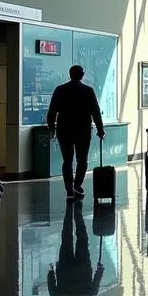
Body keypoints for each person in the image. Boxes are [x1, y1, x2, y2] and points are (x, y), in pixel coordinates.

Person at [46, 65, 105, 200]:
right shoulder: (88, 91)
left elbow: (52, 111)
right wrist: (100, 130)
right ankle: (77, 185)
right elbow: (95, 112)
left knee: (67, 160)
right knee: (82, 159)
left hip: (64, 130)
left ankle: (69, 190)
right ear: (82, 75)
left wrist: (51, 128)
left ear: (70, 74)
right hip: (82, 130)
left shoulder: (60, 90)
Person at [48, 202, 103, 296]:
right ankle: (69, 208)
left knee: (82, 238)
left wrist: (99, 270)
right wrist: (51, 272)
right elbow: (52, 289)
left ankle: (77, 210)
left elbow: (95, 288)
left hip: (82, 268)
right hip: (64, 269)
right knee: (66, 237)